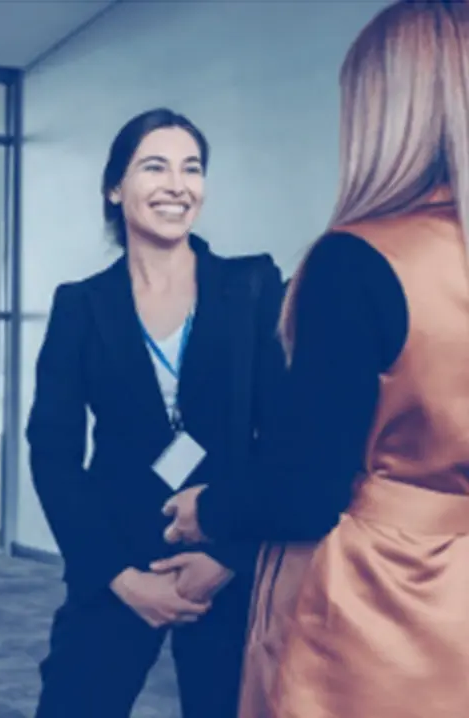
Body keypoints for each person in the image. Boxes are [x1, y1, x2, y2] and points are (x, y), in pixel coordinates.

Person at [161, 2, 469, 717]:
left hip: (377, 603)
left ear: (383, 109)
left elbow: (307, 488)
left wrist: (209, 508)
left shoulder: (357, 260)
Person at [26, 108, 286, 718]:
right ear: (115, 188)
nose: (177, 185)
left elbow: (281, 436)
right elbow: (53, 455)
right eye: (155, 167)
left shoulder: (251, 286)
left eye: (191, 168)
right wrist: (120, 576)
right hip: (115, 557)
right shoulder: (81, 305)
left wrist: (228, 557)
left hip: (226, 556)